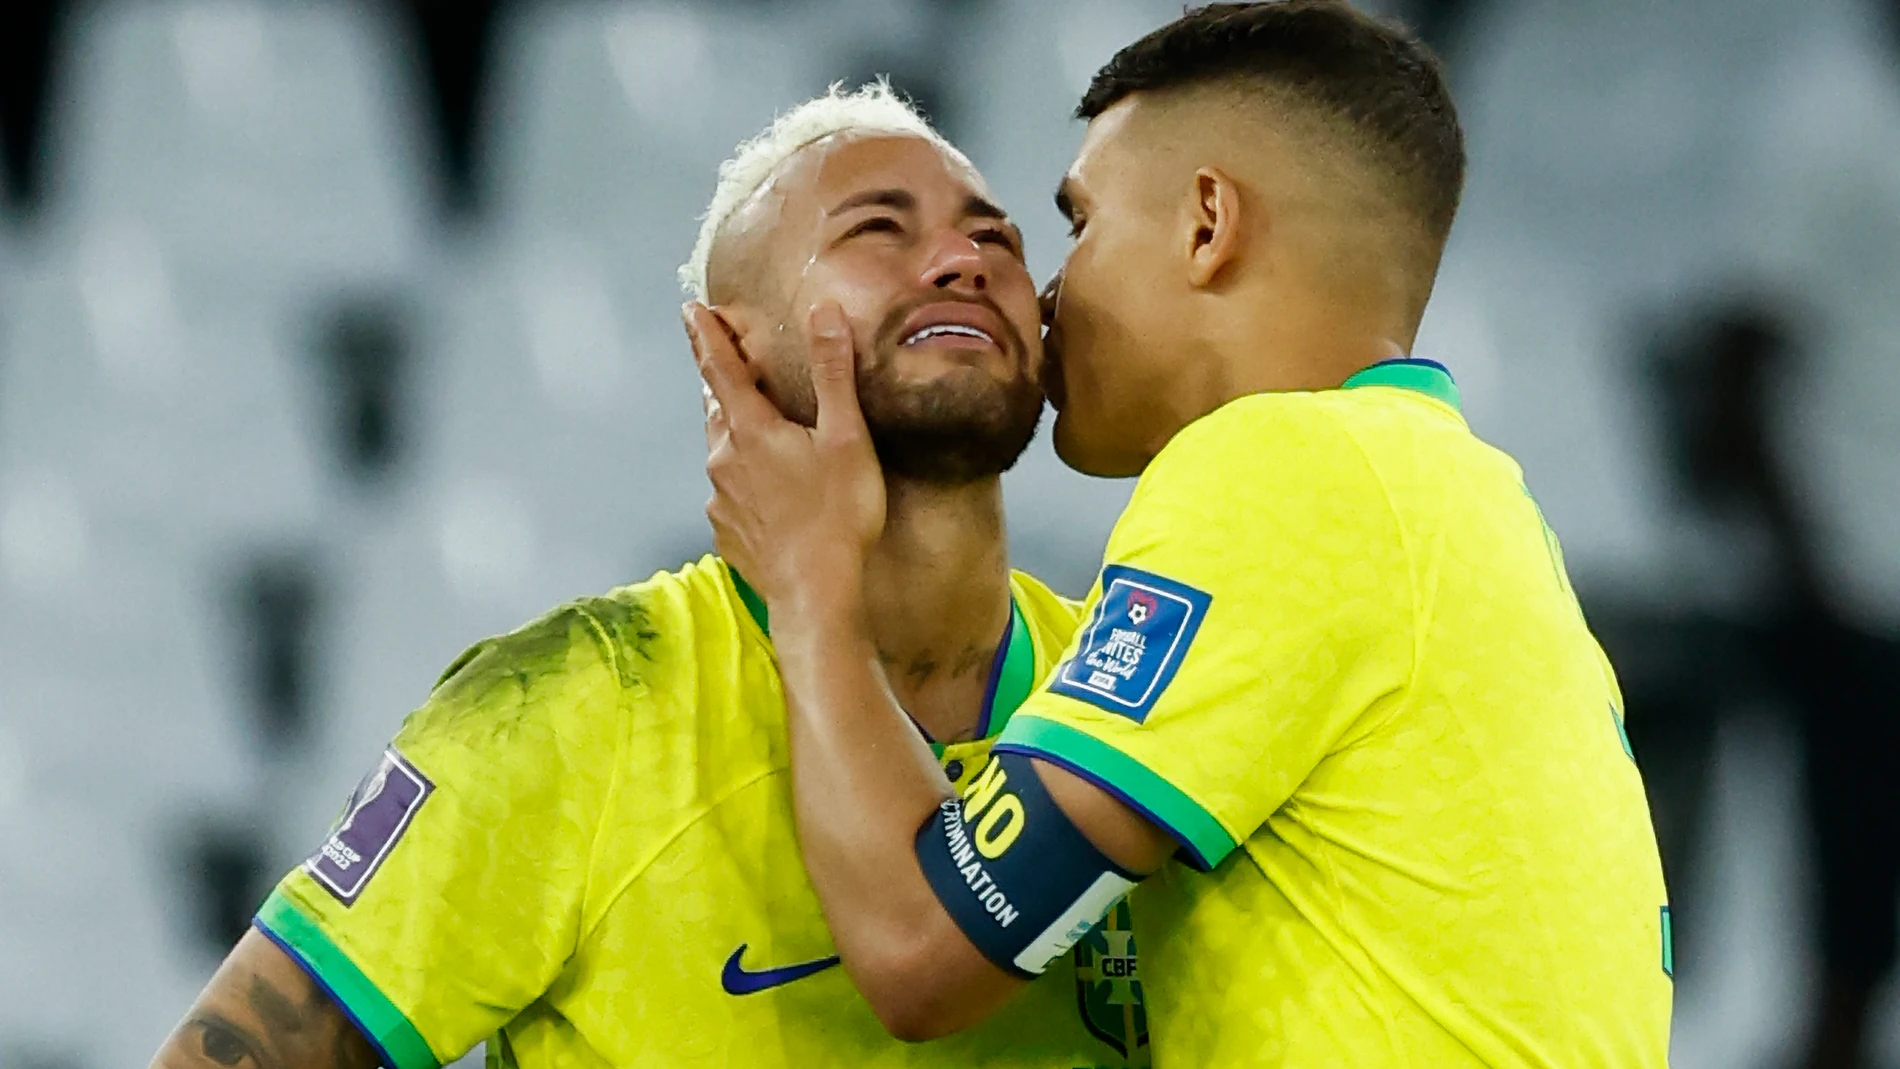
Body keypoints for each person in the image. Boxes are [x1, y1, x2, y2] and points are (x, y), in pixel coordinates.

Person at [687, 3, 1673, 1065]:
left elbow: (923, 948)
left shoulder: (1287, 473)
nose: (1050, 295)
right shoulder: (1457, 498)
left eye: (1077, 225)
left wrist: (806, 585)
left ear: (1207, 223)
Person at [149, 84, 1153, 1069]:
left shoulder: (1138, 692)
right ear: (730, 353)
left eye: (997, 240)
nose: (959, 261)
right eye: (876, 232)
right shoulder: (576, 705)